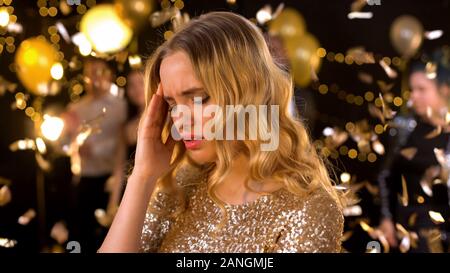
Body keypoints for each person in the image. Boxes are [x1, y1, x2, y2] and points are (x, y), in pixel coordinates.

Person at [99, 12, 345, 253]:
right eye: (172, 104)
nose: (180, 120)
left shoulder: (309, 208)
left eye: (198, 99)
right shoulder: (179, 186)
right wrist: (142, 176)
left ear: (249, 90)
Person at [378, 47, 450, 252]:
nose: (414, 97)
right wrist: (386, 219)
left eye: (422, 89)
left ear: (444, 89)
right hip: (407, 232)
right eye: (412, 90)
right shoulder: (405, 128)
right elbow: (385, 176)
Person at [62, 57, 127, 252]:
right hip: (84, 178)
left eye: (98, 72)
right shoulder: (75, 108)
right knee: (82, 235)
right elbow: (63, 144)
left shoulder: (120, 106)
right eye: (89, 73)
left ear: (109, 75)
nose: (93, 78)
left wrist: (96, 149)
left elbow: (123, 142)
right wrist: (70, 143)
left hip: (111, 179)